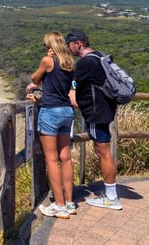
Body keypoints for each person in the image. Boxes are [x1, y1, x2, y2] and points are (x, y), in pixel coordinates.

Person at [65, 29, 122, 210]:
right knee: (102, 150)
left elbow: (73, 86)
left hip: (96, 113)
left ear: (78, 43)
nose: (69, 49)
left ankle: (111, 197)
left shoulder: (85, 63)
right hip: (105, 110)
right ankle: (110, 194)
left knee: (104, 152)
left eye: (70, 45)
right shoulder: (99, 56)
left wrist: (72, 92)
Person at [26, 32, 76, 219]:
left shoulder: (48, 61)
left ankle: (60, 205)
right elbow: (67, 85)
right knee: (66, 158)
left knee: (52, 160)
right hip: (66, 111)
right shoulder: (70, 63)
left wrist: (46, 59)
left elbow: (35, 79)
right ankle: (70, 202)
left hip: (51, 112)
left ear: (50, 45)